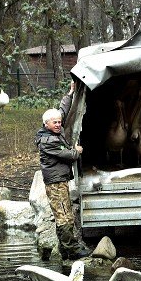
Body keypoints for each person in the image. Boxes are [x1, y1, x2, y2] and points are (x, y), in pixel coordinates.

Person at [36, 80, 91, 259]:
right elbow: (67, 155)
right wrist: (77, 151)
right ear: (46, 124)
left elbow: (63, 110)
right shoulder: (48, 141)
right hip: (55, 184)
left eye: (59, 122)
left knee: (64, 214)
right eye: (55, 123)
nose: (58, 124)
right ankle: (72, 250)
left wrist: (70, 92)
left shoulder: (53, 130)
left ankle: (64, 249)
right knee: (64, 216)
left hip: (60, 181)